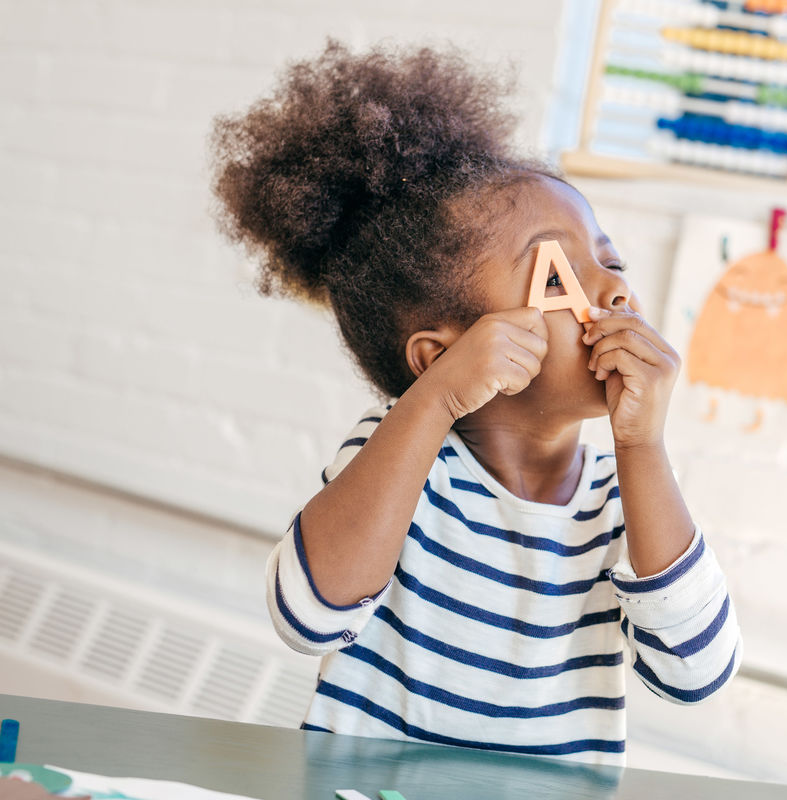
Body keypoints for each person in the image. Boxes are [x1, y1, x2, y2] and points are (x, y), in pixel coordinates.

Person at [208, 39, 742, 766]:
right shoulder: (402, 458)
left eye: (611, 262)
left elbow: (697, 674)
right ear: (440, 356)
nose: (616, 291)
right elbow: (307, 617)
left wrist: (643, 447)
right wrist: (431, 405)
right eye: (559, 276)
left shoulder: (625, 493)